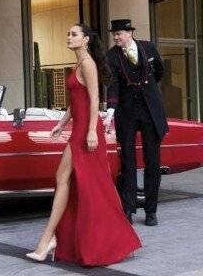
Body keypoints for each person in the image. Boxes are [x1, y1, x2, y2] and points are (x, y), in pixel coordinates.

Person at [26, 24, 141, 266]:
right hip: (78, 129)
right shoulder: (79, 64)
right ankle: (53, 239)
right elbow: (75, 101)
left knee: (71, 181)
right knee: (84, 186)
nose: (69, 37)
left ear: (85, 40)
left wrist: (90, 131)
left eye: (74, 34)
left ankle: (47, 240)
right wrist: (61, 123)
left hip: (86, 133)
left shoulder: (87, 63)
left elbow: (94, 99)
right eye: (67, 34)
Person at [103, 19, 168, 227]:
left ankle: (151, 211)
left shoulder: (148, 47)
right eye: (114, 34)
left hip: (150, 110)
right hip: (127, 111)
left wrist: (147, 91)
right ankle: (128, 209)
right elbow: (112, 83)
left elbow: (159, 71)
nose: (115, 37)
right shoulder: (111, 55)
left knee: (152, 163)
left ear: (129, 33)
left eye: (119, 33)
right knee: (128, 163)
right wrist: (111, 109)